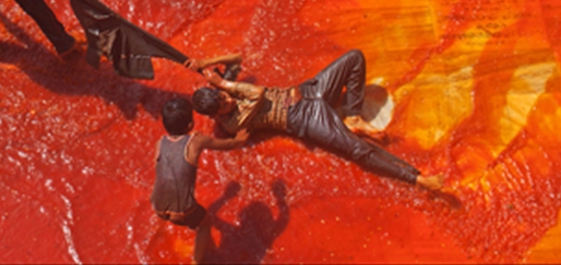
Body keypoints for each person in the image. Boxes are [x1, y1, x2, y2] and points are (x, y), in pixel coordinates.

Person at [187, 50, 445, 191]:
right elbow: (258, 93)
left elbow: (237, 59)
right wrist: (223, 83)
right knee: (357, 150)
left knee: (354, 58)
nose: (228, 100)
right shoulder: (232, 124)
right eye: (224, 105)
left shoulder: (228, 91)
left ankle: (352, 114)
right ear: (217, 115)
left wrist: (206, 62)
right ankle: (417, 179)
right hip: (305, 119)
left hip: (309, 91)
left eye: (223, 96)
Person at [151, 97, 249, 265]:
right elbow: (227, 145)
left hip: (157, 205)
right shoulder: (197, 141)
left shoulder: (159, 143)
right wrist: (240, 138)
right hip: (183, 210)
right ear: (190, 125)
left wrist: (226, 196)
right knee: (205, 224)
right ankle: (197, 262)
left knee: (189, 212)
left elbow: (164, 169)